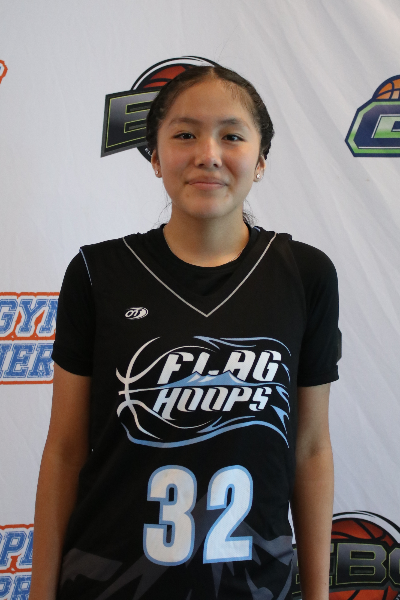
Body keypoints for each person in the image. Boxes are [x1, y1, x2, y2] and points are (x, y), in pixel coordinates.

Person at [30, 65, 338, 600]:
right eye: (185, 134)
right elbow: (64, 449)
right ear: (154, 156)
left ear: (261, 160)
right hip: (107, 584)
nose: (208, 154)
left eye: (232, 136)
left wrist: (318, 594)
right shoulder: (97, 273)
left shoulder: (305, 274)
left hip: (255, 587)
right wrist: (40, 592)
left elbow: (310, 449)